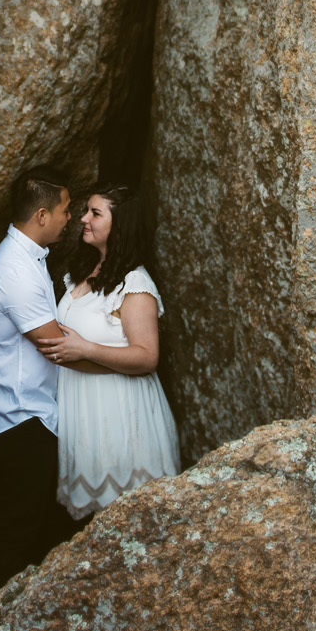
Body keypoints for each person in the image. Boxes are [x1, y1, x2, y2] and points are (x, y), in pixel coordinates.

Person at [35, 184, 180, 519]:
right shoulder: (83, 270)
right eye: (86, 210)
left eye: (95, 213)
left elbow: (147, 356)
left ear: (120, 225)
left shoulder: (135, 284)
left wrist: (85, 348)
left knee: (127, 518)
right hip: (83, 407)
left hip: (120, 412)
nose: (83, 219)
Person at [0, 165, 73, 591]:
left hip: (27, 416)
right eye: (66, 209)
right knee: (18, 535)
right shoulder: (15, 270)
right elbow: (55, 344)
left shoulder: (26, 258)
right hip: (19, 420)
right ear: (42, 215)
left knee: (39, 531)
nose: (71, 217)